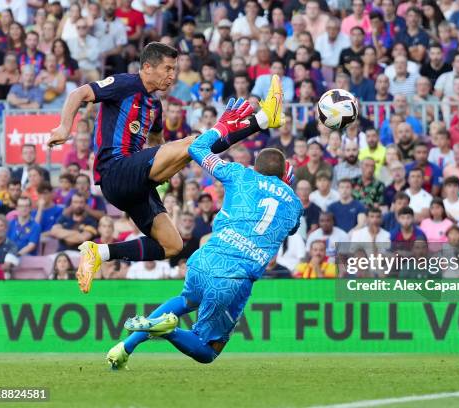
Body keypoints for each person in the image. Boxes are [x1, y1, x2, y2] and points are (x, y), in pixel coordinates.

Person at [47, 42, 284, 293]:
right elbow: (78, 94)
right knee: (194, 144)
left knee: (172, 245)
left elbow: (158, 143)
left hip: (137, 183)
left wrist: (168, 166)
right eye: (168, 68)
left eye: (175, 69)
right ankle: (262, 119)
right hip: (115, 171)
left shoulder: (154, 105)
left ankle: (100, 252)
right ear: (147, 67)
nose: (172, 76)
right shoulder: (124, 84)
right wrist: (64, 127)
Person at [106, 104, 301, 368]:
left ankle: (125, 348)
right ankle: (168, 331)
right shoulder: (294, 203)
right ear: (283, 176)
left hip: (205, 260)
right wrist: (284, 187)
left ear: (256, 168)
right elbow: (291, 227)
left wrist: (222, 126)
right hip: (233, 278)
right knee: (208, 351)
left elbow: (195, 149)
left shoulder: (239, 174)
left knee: (185, 300)